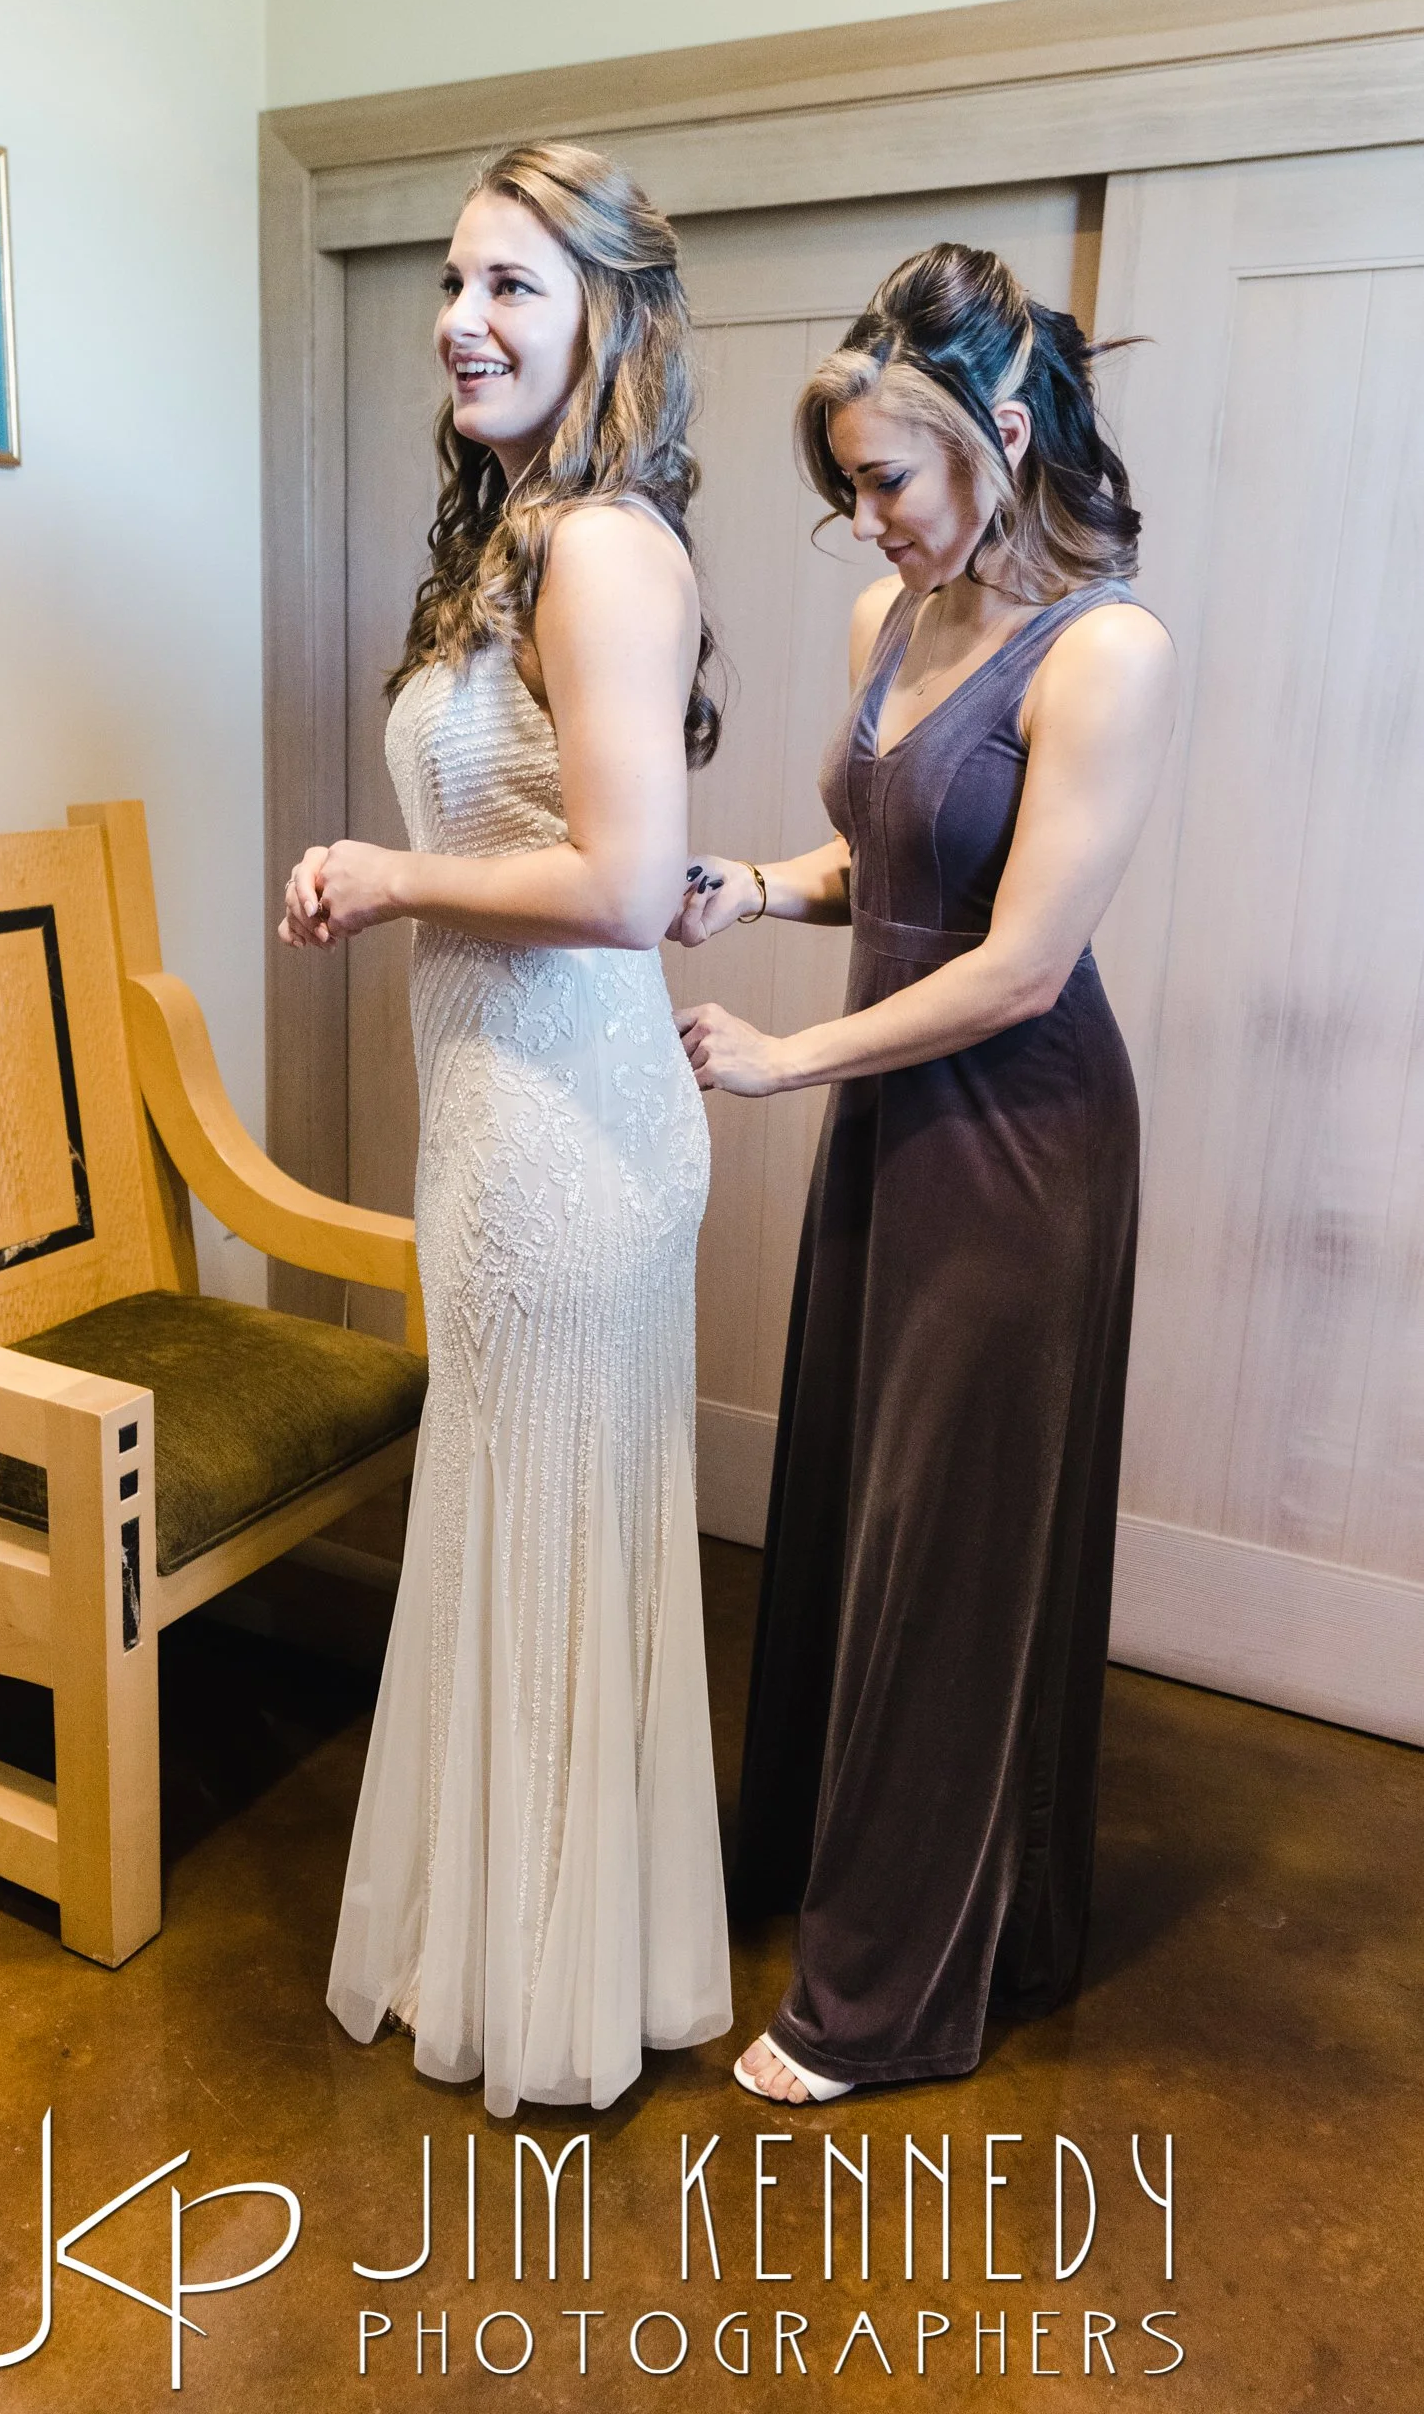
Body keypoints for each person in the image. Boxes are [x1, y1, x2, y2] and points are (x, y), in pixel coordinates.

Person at [672, 243, 1176, 2105]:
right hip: (896, 1115)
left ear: (1002, 436)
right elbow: (881, 857)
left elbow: (1020, 962)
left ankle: (881, 1997)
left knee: (951, 1552)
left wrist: (790, 1059)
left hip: (1020, 1141)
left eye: (887, 479)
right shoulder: (893, 620)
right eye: (848, 489)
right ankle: (858, 1882)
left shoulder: (1106, 652)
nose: (867, 521)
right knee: (855, 1511)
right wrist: (748, 886)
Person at [282, 142, 733, 2117]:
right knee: (507, 1532)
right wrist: (389, 876)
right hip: (491, 1118)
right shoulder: (514, 533)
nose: (461, 320)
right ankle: (511, 1934)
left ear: (603, 320)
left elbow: (627, 885)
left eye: (512, 287)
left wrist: (390, 875)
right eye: (454, 284)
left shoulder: (605, 550)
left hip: (572, 1140)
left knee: (548, 1542)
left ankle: (548, 1990)